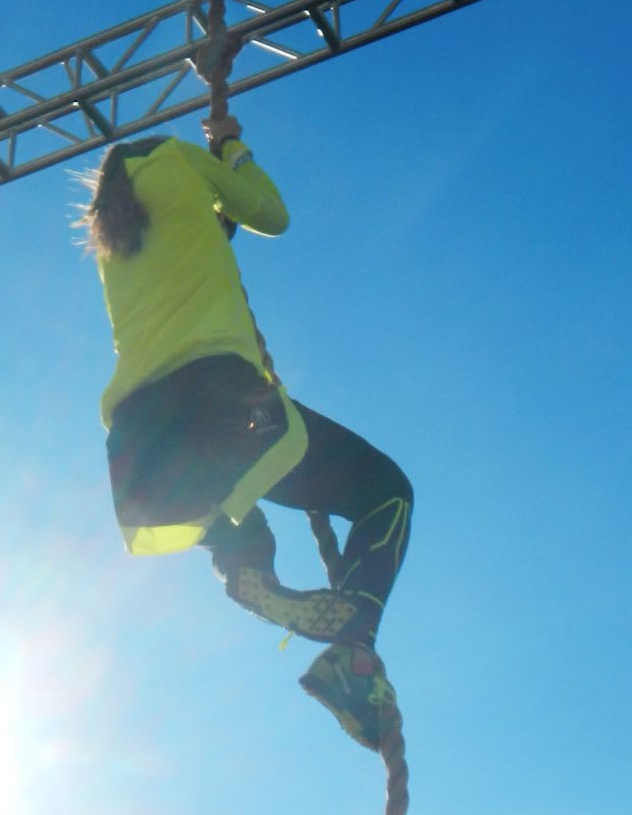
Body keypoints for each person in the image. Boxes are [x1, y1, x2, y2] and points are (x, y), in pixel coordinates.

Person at [81, 115, 413, 751]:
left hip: (137, 447)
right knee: (385, 489)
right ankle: (354, 652)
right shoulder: (180, 161)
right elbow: (270, 213)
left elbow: (199, 246)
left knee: (222, 501)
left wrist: (215, 213)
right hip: (219, 399)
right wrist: (232, 148)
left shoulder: (112, 235)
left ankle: (243, 563)